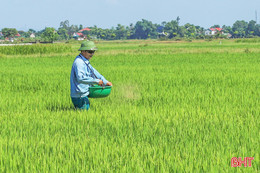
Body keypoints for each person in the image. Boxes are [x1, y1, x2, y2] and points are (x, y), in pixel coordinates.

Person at [70, 41, 112, 110]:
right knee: (83, 116)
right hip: (79, 95)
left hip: (83, 94)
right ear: (83, 51)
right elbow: (80, 78)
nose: (92, 54)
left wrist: (105, 81)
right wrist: (96, 81)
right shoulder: (79, 62)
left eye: (93, 52)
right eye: (90, 51)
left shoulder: (85, 61)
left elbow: (94, 73)